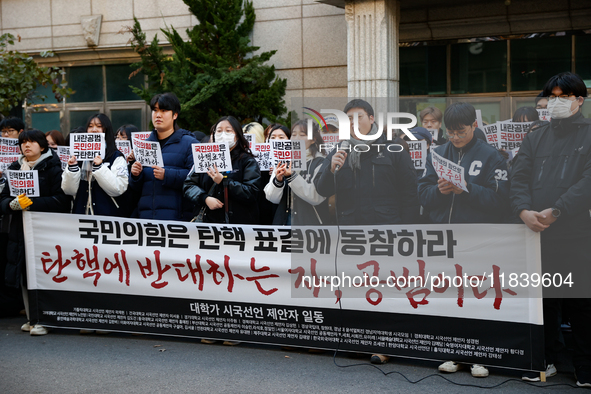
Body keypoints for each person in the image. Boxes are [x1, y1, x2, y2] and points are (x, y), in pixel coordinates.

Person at [510, 72, 591, 387]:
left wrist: (558, 210)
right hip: (536, 233)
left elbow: (587, 181)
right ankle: (546, 358)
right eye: (552, 97)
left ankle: (584, 364)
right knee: (544, 300)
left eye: (564, 97)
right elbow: (519, 176)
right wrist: (522, 210)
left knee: (581, 302)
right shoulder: (536, 135)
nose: (555, 102)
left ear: (579, 100)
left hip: (575, 232)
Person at [418, 102, 509, 378]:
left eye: (461, 131)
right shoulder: (437, 153)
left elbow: (501, 201)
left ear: (474, 127)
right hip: (444, 238)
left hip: (478, 238)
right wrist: (440, 191)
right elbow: (422, 194)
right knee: (449, 297)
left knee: (478, 296)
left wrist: (466, 188)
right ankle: (454, 353)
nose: (455, 137)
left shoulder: (492, 156)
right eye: (450, 132)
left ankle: (480, 356)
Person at [0, 129, 71, 335]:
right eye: (23, 142)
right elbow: (2, 199)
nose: (26, 145)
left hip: (46, 230)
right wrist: (12, 204)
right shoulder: (14, 168)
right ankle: (33, 317)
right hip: (19, 229)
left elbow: (61, 200)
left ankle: (45, 319)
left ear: (42, 146)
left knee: (44, 273)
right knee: (23, 273)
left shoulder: (53, 167)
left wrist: (32, 204)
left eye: (31, 142)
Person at [315, 99, 419, 226]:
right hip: (351, 233)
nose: (353, 123)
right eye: (349, 119)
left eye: (359, 117)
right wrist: (330, 171)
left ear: (371, 119)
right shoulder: (339, 151)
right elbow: (322, 190)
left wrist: (406, 230)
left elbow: (410, 194)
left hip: (388, 231)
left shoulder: (393, 151)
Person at [130, 93, 198, 221]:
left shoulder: (189, 143)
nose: (158, 115)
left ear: (175, 115)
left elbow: (197, 177)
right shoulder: (144, 145)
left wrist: (167, 175)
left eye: (164, 110)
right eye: (155, 110)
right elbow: (136, 188)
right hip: (146, 218)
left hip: (177, 219)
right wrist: (135, 175)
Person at [184, 116, 261, 224]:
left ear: (237, 135)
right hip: (208, 224)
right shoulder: (205, 157)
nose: (223, 134)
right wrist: (204, 198)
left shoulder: (247, 161)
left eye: (228, 131)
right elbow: (188, 185)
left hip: (238, 226)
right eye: (219, 131)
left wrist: (224, 182)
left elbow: (252, 192)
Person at [264, 120, 331, 225]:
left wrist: (292, 176)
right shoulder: (284, 160)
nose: (296, 138)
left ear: (313, 139)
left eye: (302, 135)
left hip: (311, 225)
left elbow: (316, 197)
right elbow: (271, 198)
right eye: (294, 134)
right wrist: (278, 180)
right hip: (285, 221)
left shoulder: (321, 162)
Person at [61, 114, 129, 216]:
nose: (94, 130)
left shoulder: (116, 157)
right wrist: (72, 168)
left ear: (106, 129)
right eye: (90, 126)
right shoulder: (78, 156)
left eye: (99, 126)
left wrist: (100, 168)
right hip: (81, 216)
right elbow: (69, 190)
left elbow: (118, 188)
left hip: (106, 217)